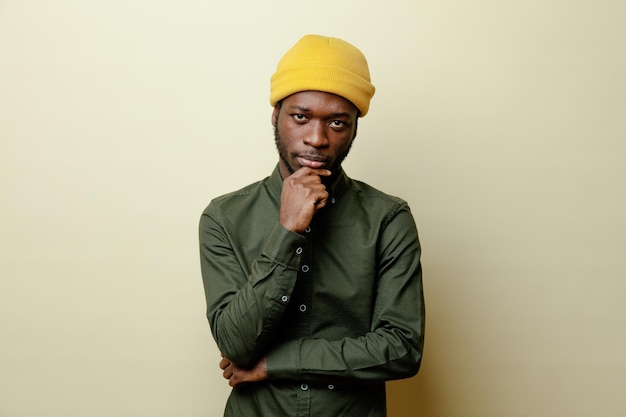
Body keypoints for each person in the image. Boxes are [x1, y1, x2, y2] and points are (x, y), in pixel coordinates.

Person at [199, 34, 425, 417]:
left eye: (337, 122)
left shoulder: (388, 219)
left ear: (354, 128)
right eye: (300, 117)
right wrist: (287, 231)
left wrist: (274, 364)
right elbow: (236, 344)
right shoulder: (224, 217)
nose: (317, 139)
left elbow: (402, 348)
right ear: (275, 115)